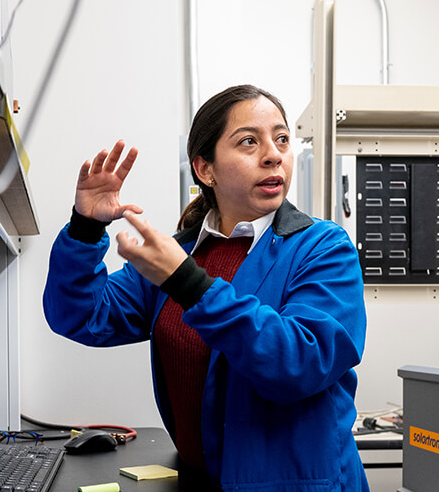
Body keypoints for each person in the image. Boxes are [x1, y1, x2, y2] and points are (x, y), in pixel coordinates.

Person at [43, 84, 369, 491]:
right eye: (249, 141)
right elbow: (80, 316)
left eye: (282, 139)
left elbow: (300, 362)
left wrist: (190, 285)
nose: (273, 154)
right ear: (205, 169)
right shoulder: (179, 256)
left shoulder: (322, 247)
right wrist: (85, 226)